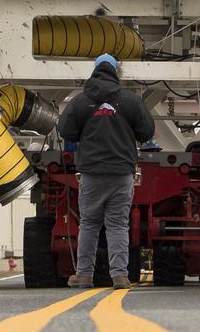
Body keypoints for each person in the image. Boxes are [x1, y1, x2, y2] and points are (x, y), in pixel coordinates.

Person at [57, 52, 155, 289]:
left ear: (95, 71)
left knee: (90, 223)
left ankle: (84, 275)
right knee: (118, 224)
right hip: (122, 174)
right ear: (115, 72)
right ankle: (120, 275)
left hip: (91, 173)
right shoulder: (130, 101)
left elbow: (65, 131)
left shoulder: (81, 101)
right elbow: (147, 132)